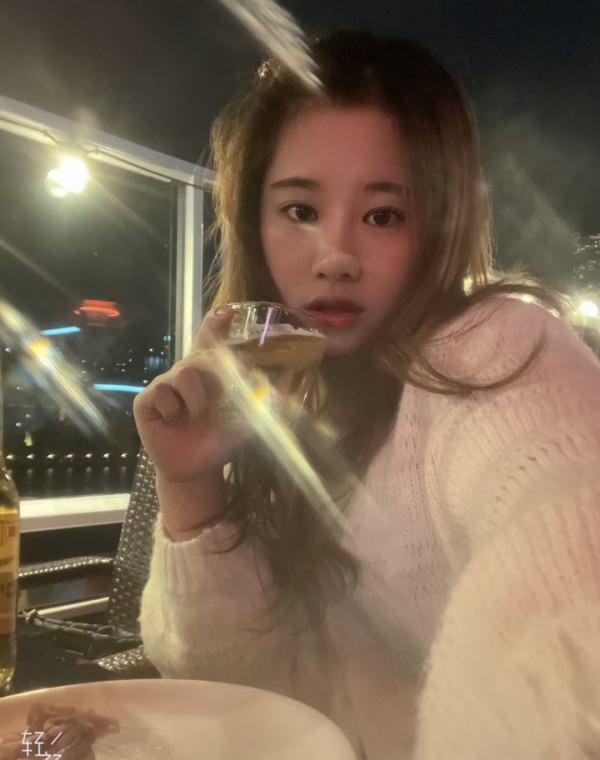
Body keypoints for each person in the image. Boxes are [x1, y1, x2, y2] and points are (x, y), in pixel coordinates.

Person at [134, 30, 600, 760]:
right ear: (255, 224)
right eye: (300, 211)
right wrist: (192, 485)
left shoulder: (490, 349)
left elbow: (567, 535)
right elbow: (239, 685)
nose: (336, 258)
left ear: (437, 228)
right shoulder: (285, 407)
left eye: (384, 215)